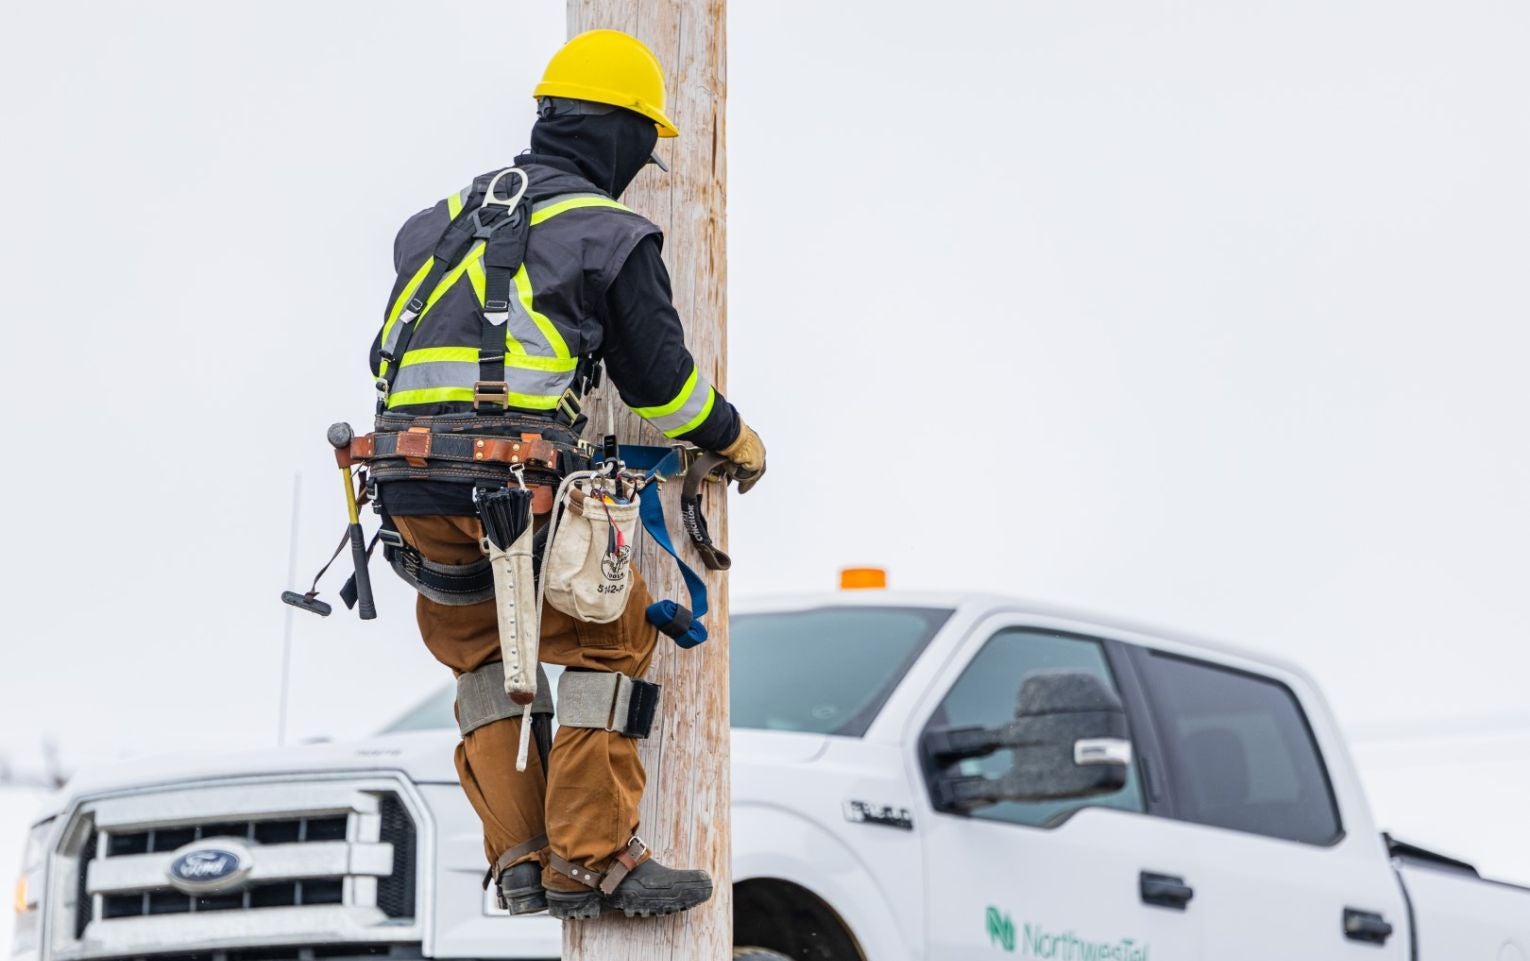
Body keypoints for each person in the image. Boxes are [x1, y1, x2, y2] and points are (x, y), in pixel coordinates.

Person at [363, 29, 765, 921]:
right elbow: (663, 387)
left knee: (480, 656)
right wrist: (735, 439)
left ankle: (518, 857)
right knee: (604, 645)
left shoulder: (440, 219)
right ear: (620, 132)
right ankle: (591, 860)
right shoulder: (606, 231)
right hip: (516, 484)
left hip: (408, 485)